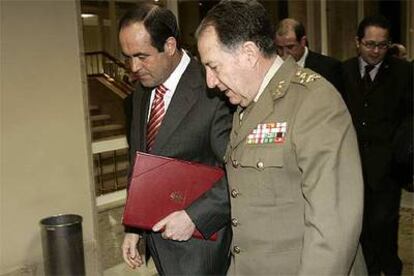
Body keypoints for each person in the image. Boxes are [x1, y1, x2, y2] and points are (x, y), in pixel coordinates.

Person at [196, 1, 366, 275]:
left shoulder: (314, 101)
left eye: (214, 66)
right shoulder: (246, 106)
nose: (210, 81)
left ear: (249, 54)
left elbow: (333, 228)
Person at [118, 4, 233, 275]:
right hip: (160, 248)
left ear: (169, 45)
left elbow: (238, 172)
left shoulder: (214, 89)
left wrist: (194, 217)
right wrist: (134, 227)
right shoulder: (141, 92)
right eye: (127, 57)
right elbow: (139, 164)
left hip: (201, 250)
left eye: (142, 56)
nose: (134, 67)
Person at [342, 15, 413, 276]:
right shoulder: (344, 71)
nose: (375, 51)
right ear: (357, 42)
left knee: (385, 229)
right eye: (369, 44)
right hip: (352, 168)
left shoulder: (404, 72)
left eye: (382, 45)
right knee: (360, 232)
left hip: (388, 170)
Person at [274, 18, 343, 92]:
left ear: (303, 42)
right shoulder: (273, 68)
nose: (284, 53)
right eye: (280, 48)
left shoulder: (329, 68)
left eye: (290, 47)